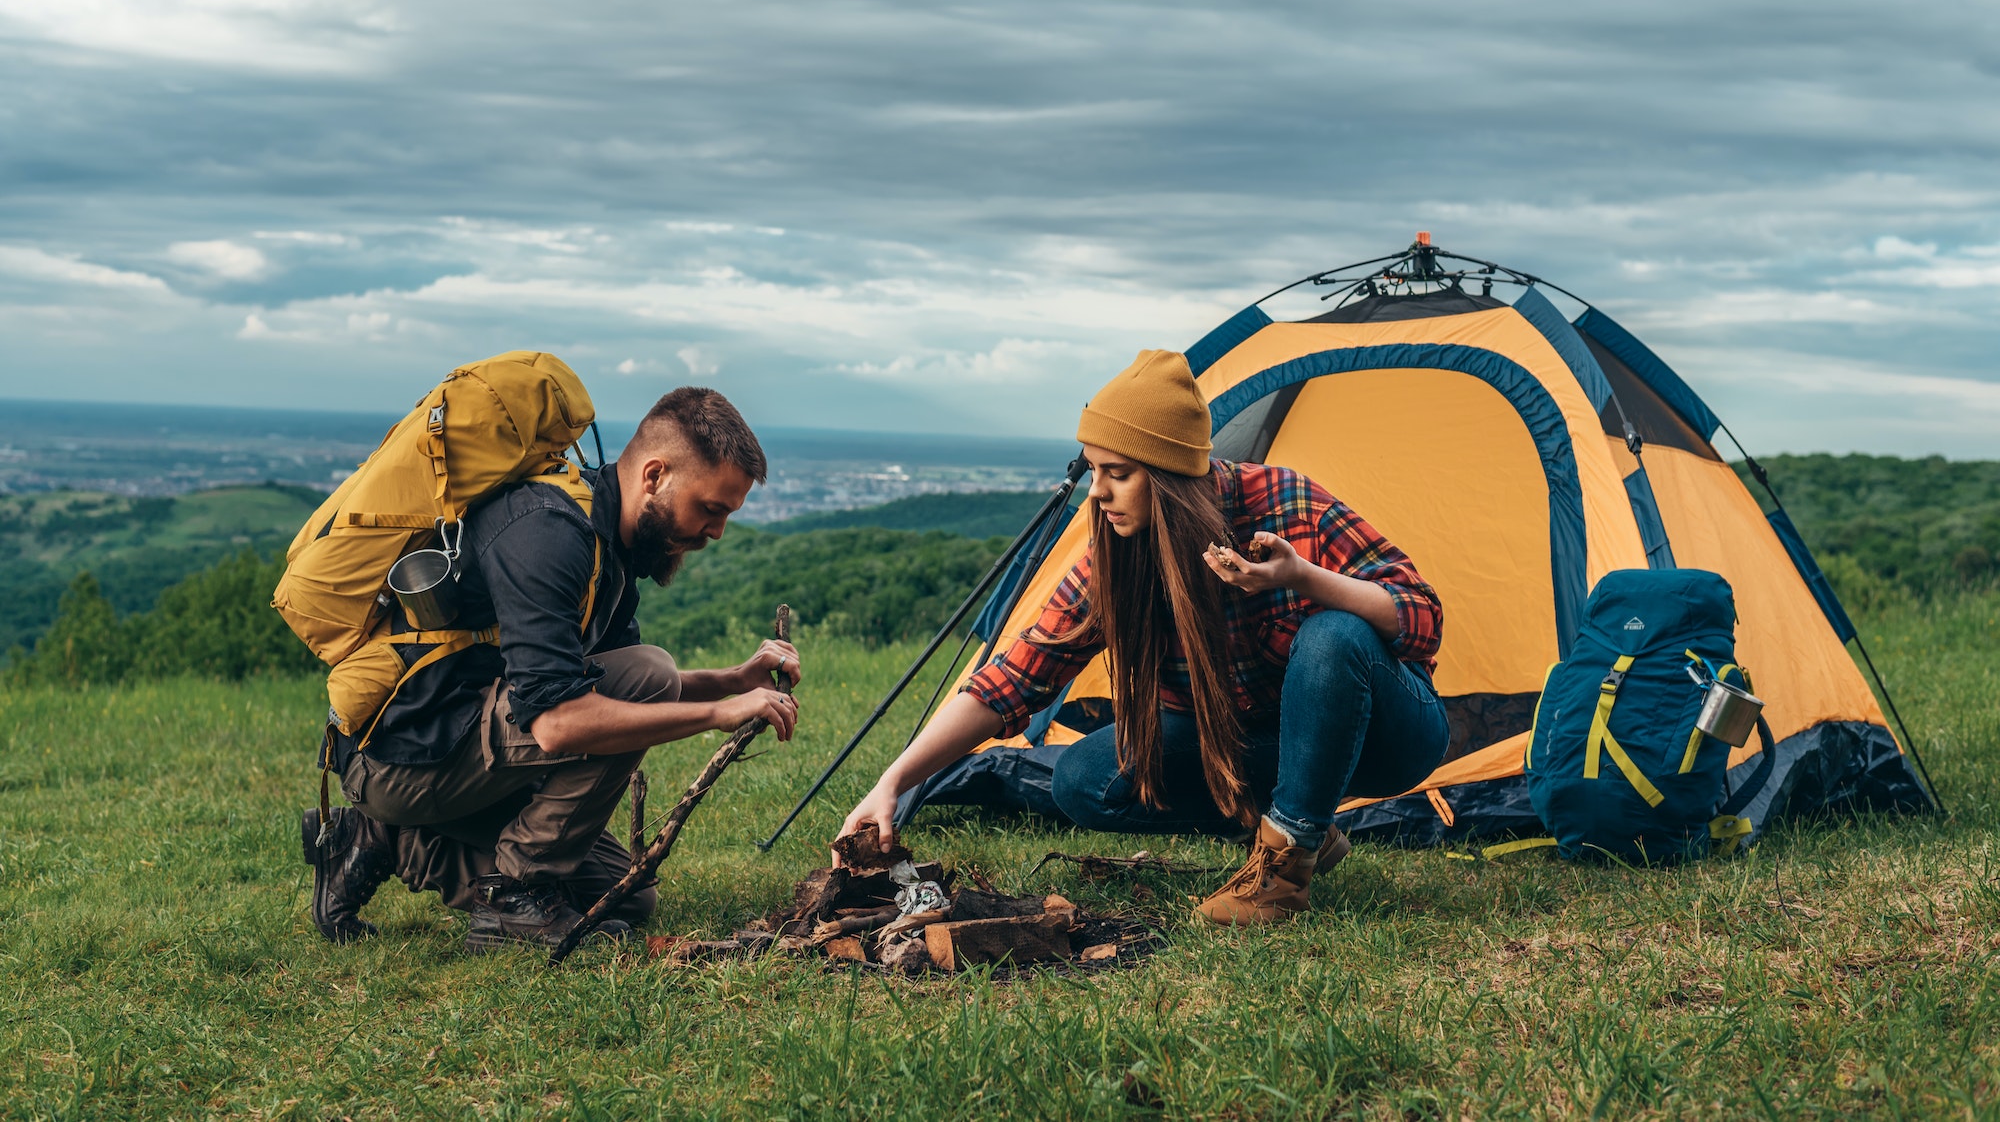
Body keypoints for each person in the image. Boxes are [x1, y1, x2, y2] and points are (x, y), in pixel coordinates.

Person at [839, 350, 1447, 924]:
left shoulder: (1283, 503)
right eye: (1093, 470)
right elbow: (1011, 680)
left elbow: (1422, 617)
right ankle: (1294, 823)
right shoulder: (1117, 559)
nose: (1097, 493)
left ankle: (1284, 872)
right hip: (1253, 742)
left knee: (1332, 637)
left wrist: (1302, 578)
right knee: (1084, 779)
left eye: (1118, 473)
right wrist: (892, 783)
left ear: (1171, 476)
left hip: (1388, 736)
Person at [304, 387, 803, 952]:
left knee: (623, 894)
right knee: (650, 673)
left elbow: (605, 687)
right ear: (656, 475)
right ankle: (514, 894)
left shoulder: (611, 550)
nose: (716, 532)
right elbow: (560, 723)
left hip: (456, 750)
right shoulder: (550, 530)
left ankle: (382, 841)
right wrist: (717, 713)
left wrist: (734, 680)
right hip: (402, 756)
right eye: (711, 508)